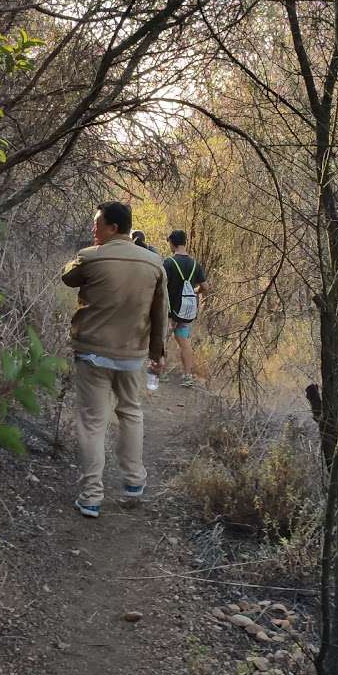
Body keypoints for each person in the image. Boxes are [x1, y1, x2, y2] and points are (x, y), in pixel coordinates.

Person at [61, 202, 168, 518]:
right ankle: (134, 482)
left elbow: (67, 276)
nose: (94, 229)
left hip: (92, 353)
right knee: (131, 413)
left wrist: (86, 254)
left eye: (98, 224)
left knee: (93, 423)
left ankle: (91, 497)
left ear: (113, 227)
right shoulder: (154, 263)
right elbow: (160, 312)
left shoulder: (92, 256)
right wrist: (157, 353)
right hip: (132, 355)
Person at [164, 229, 209, 386]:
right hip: (186, 311)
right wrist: (195, 291)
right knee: (184, 342)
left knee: (163, 339)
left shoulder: (169, 262)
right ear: (185, 242)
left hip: (170, 311)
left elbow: (161, 286)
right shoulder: (195, 264)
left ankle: (161, 373)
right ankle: (188, 376)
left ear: (171, 242)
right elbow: (205, 286)